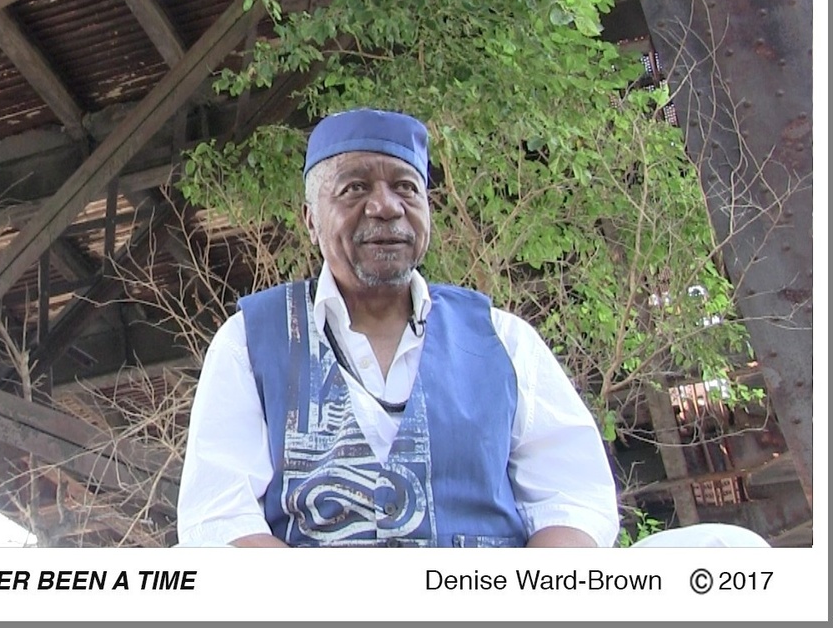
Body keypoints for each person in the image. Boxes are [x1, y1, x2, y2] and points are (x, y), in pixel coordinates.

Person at [178, 108, 716, 548]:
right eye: (354, 188)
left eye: (407, 188)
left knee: (718, 552)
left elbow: (572, 497)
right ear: (309, 219)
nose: (386, 206)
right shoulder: (250, 341)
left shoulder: (503, 340)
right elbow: (217, 518)